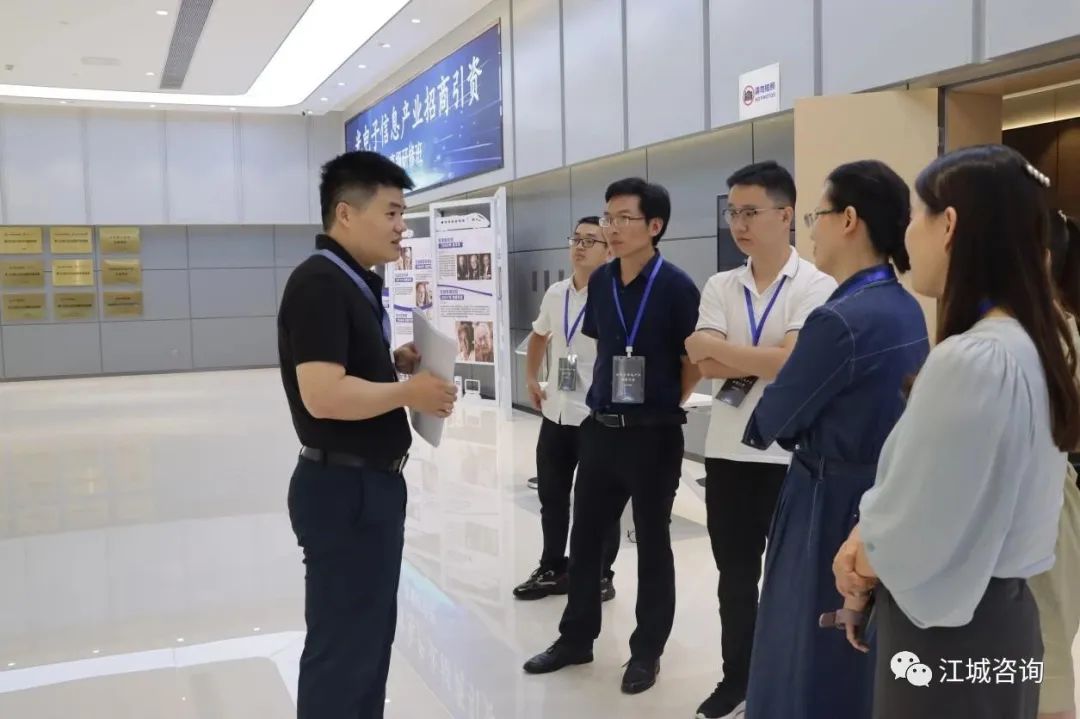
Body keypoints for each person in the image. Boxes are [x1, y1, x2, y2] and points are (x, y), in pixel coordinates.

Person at [834, 145, 1080, 719]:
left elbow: (921, 524)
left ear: (948, 224)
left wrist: (860, 562)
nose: (907, 236)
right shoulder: (1037, 341)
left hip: (952, 629)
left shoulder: (973, 359)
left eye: (914, 217)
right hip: (1007, 617)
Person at [735, 161, 930, 719]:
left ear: (848, 219)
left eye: (816, 216)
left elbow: (772, 419)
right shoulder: (905, 308)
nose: (812, 230)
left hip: (827, 503)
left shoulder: (839, 320)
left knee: (805, 645)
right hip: (882, 497)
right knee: (861, 655)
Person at [278, 151, 458, 719]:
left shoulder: (353, 281)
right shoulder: (319, 284)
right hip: (343, 490)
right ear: (346, 213)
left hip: (366, 487)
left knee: (367, 641)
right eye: (392, 212)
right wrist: (408, 394)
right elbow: (323, 395)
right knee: (343, 649)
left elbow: (342, 368)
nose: (401, 226)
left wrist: (390, 363)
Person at [523, 178, 701, 695]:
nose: (612, 228)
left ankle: (646, 652)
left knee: (652, 542)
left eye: (624, 218)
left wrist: (660, 405)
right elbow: (606, 350)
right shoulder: (602, 282)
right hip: (600, 429)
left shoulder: (677, 287)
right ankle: (576, 639)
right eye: (608, 217)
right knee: (586, 539)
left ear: (654, 226)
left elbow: (691, 362)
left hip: (653, 436)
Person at [683, 161, 837, 719]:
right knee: (735, 578)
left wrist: (727, 351)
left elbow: (793, 363)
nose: (739, 224)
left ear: (786, 214)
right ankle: (737, 679)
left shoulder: (816, 284)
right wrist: (765, 358)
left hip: (791, 457)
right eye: (732, 212)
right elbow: (700, 359)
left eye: (750, 212)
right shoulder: (720, 285)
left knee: (794, 580)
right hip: (728, 454)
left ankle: (791, 681)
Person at [514, 217, 620, 602]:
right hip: (556, 413)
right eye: (576, 238)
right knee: (552, 497)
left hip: (595, 417)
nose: (580, 246)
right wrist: (531, 378)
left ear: (608, 251)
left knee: (600, 504)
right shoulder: (556, 293)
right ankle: (552, 567)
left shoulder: (614, 296)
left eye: (591, 240)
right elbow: (539, 335)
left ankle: (601, 574)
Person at [1028, 210, 1080, 719]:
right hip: (1050, 507)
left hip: (1042, 511)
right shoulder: (1056, 326)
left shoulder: (1045, 333)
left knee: (1044, 673)